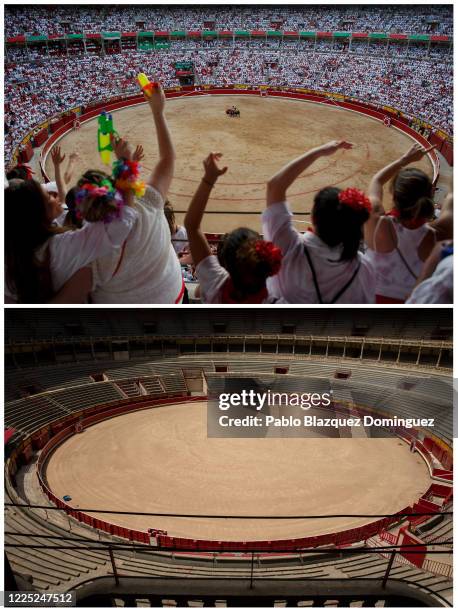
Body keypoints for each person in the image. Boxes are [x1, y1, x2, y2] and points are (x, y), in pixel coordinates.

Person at [88, 82, 184, 303]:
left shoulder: (90, 244)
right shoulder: (148, 205)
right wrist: (158, 112)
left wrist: (127, 162)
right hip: (171, 295)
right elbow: (168, 159)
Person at [5, 156, 137, 303]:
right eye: (48, 197)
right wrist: (126, 162)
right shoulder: (62, 246)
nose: (54, 196)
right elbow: (122, 224)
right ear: (38, 213)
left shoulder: (10, 257)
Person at [263, 141, 376, 303]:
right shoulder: (364, 268)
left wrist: (319, 151)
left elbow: (275, 186)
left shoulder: (290, 249)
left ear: (313, 217)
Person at [185, 152, 284, 303]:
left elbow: (191, 226)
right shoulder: (279, 301)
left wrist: (208, 179)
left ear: (225, 265)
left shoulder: (215, 285)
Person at [365, 143, 453, 303]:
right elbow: (453, 199)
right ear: (430, 195)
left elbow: (377, 180)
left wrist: (404, 160)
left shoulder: (376, 221)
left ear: (393, 195)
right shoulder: (439, 234)